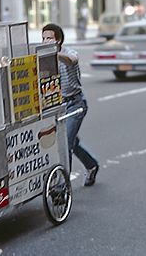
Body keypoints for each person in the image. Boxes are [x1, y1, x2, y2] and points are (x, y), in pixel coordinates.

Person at [41, 23, 99, 186]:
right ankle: (92, 165)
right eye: (44, 38)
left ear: (58, 40)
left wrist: (55, 53)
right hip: (56, 107)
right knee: (72, 141)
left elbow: (72, 60)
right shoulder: (44, 58)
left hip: (75, 104)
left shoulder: (68, 53)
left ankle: (62, 187)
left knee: (65, 143)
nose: (46, 41)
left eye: (49, 38)